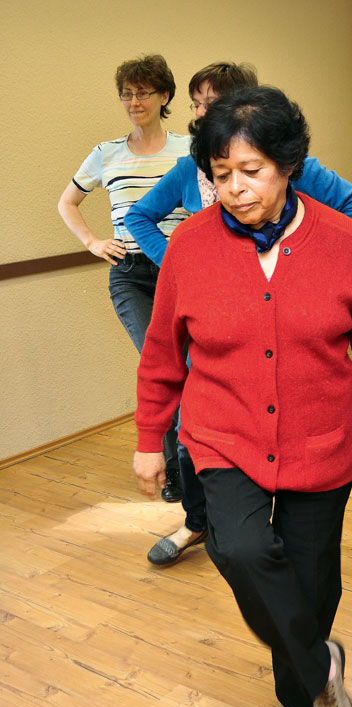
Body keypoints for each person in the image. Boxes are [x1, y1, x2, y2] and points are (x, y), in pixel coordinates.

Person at [132, 85, 352, 707]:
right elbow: (163, 353)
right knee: (242, 549)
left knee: (312, 585)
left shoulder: (343, 243)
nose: (236, 188)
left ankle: (300, 689)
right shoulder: (190, 248)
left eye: (251, 171)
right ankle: (319, 670)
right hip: (223, 435)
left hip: (320, 440)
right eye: (221, 175)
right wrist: (147, 439)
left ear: (288, 165)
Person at [125, 62, 352, 567]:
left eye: (215, 104)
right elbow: (141, 219)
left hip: (284, 338)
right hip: (213, 326)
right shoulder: (189, 178)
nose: (205, 114)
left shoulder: (297, 170)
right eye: (198, 106)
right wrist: (173, 258)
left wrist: (316, 260)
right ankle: (200, 519)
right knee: (206, 426)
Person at [57, 54, 189, 503]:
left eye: (143, 92)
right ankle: (175, 472)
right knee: (161, 366)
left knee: (194, 367)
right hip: (131, 275)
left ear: (164, 96)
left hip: (182, 272)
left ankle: (205, 464)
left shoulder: (188, 148)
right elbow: (67, 203)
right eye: (127, 94)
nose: (134, 101)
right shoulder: (106, 153)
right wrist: (94, 242)